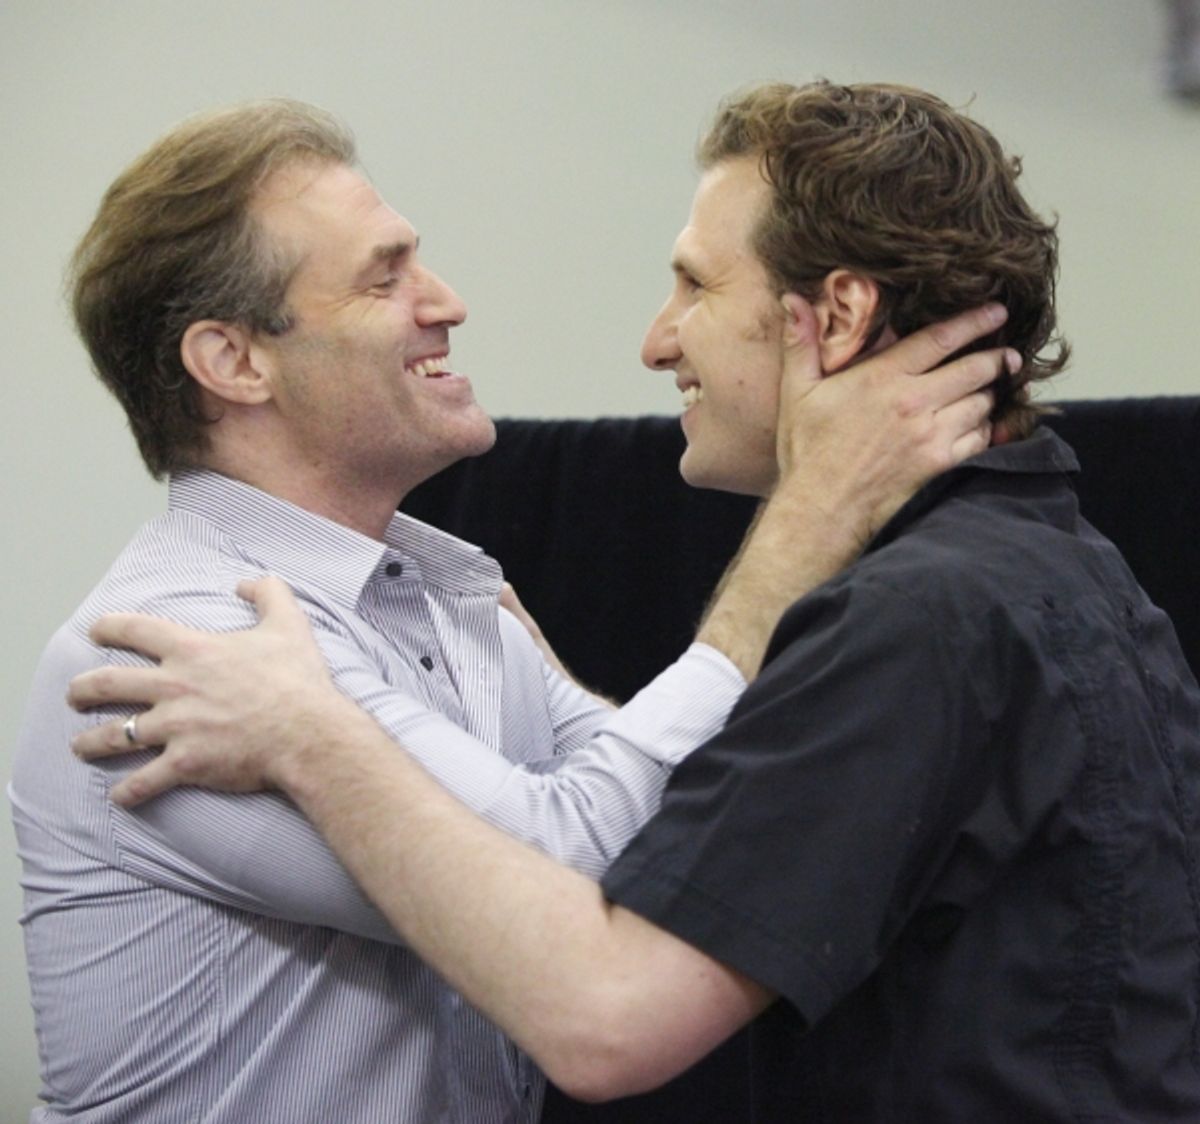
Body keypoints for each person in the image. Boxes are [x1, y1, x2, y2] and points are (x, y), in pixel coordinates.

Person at [70, 80, 1200, 1121]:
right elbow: (645, 836)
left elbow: (604, 996)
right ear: (232, 360)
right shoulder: (194, 647)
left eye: (696, 284)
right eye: (384, 275)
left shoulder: (923, 613)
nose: (659, 338)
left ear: (841, 317)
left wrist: (312, 737)